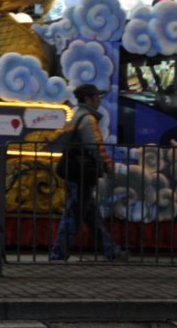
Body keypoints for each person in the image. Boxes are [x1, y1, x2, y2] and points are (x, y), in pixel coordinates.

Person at [49, 83, 122, 261]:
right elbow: (96, 146)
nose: (99, 100)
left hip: (76, 171)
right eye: (96, 96)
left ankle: (111, 250)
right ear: (88, 99)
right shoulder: (87, 119)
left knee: (91, 216)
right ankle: (58, 254)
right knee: (73, 215)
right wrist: (108, 166)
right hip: (83, 173)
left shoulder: (75, 115)